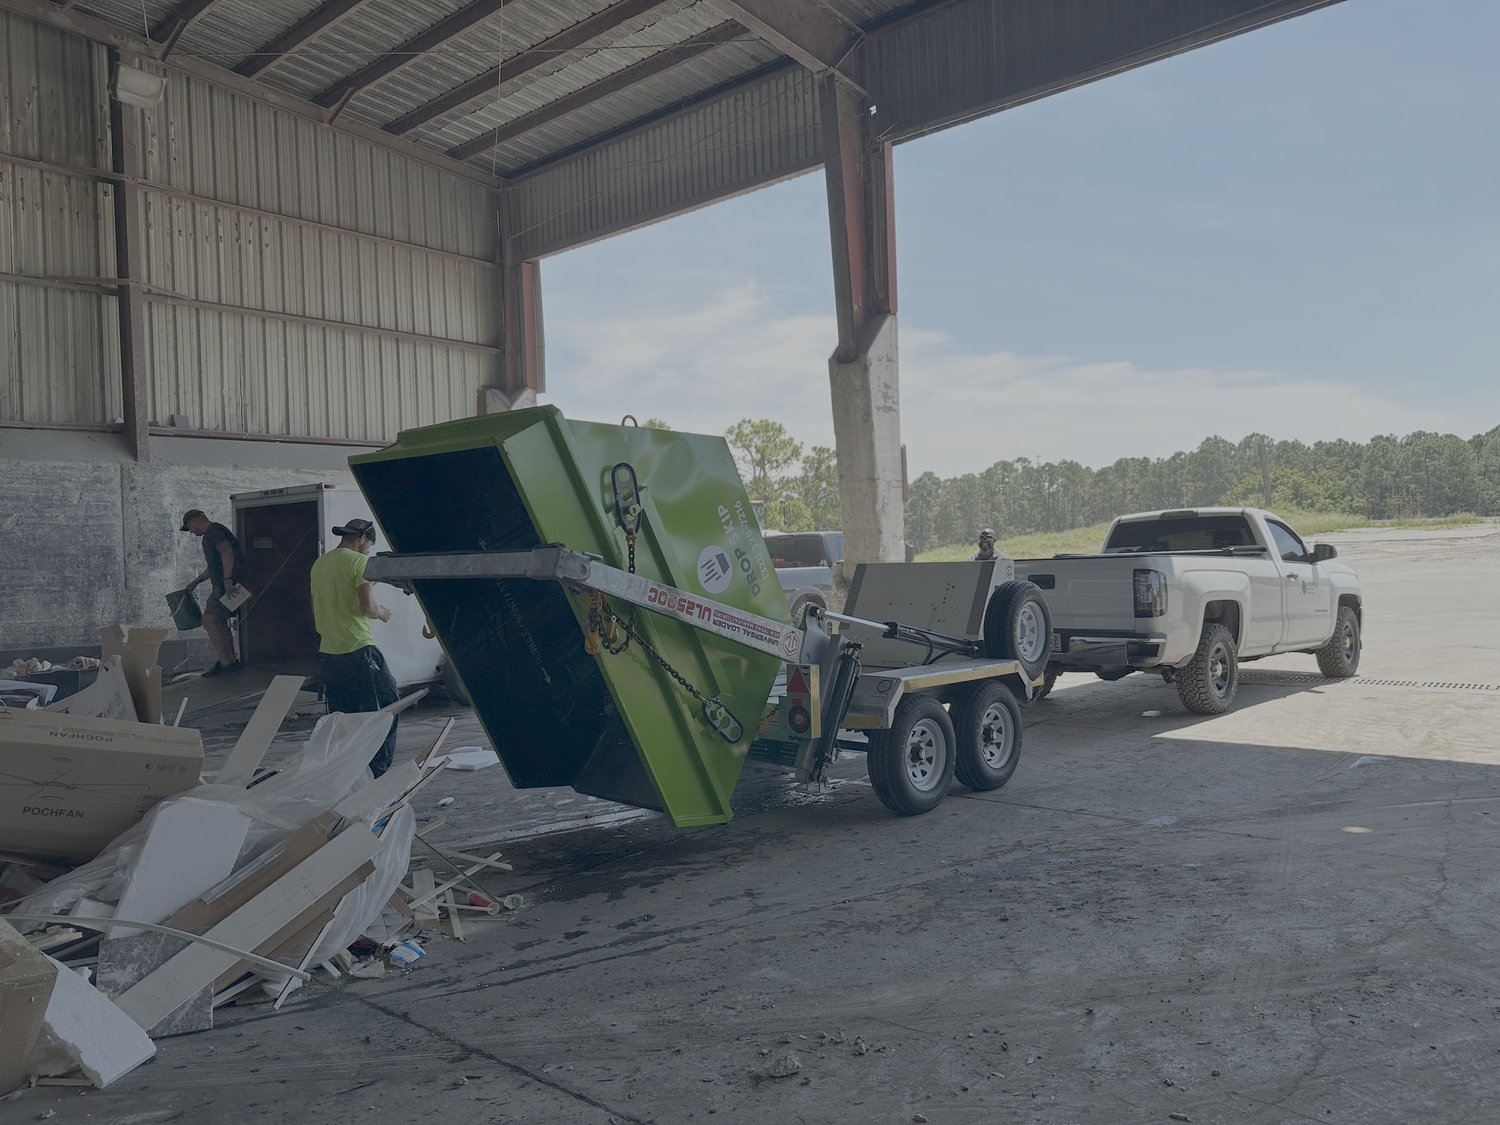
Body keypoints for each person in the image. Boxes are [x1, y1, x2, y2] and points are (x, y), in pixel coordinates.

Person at [310, 518, 399, 778]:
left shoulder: (320, 564)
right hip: (359, 648)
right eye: (370, 544)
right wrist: (382, 613)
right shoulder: (359, 562)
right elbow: (367, 606)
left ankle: (348, 774)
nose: (369, 550)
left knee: (345, 718)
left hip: (329, 652)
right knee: (385, 710)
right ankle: (377, 774)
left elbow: (315, 608)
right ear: (361, 539)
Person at [181, 509, 246, 677]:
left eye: (189, 527)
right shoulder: (214, 532)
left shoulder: (213, 531)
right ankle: (229, 661)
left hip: (230, 585)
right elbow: (214, 566)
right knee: (219, 620)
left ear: (196, 520)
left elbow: (227, 552)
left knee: (209, 620)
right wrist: (195, 582)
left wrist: (228, 581)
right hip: (232, 584)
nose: (191, 532)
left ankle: (227, 663)